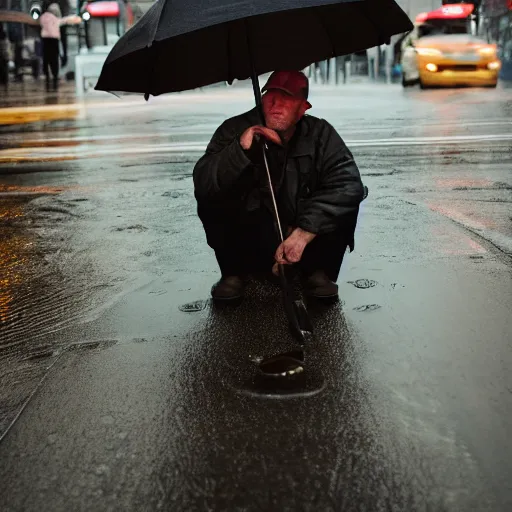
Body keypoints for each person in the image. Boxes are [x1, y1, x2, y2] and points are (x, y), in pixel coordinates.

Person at [193, 70, 365, 302]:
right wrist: (240, 150)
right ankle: (233, 272)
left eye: (286, 98)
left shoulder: (321, 134)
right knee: (211, 195)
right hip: (253, 238)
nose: (276, 104)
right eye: (270, 96)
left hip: (304, 238)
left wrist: (304, 233)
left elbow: (348, 184)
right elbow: (204, 182)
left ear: (304, 107)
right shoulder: (233, 128)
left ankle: (318, 272)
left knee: (348, 200)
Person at [39, 3, 78, 90]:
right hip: (54, 41)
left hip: (45, 40)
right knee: (54, 60)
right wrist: (74, 18)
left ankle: (48, 77)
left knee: (46, 60)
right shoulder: (56, 19)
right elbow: (64, 20)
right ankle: (55, 77)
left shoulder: (43, 17)